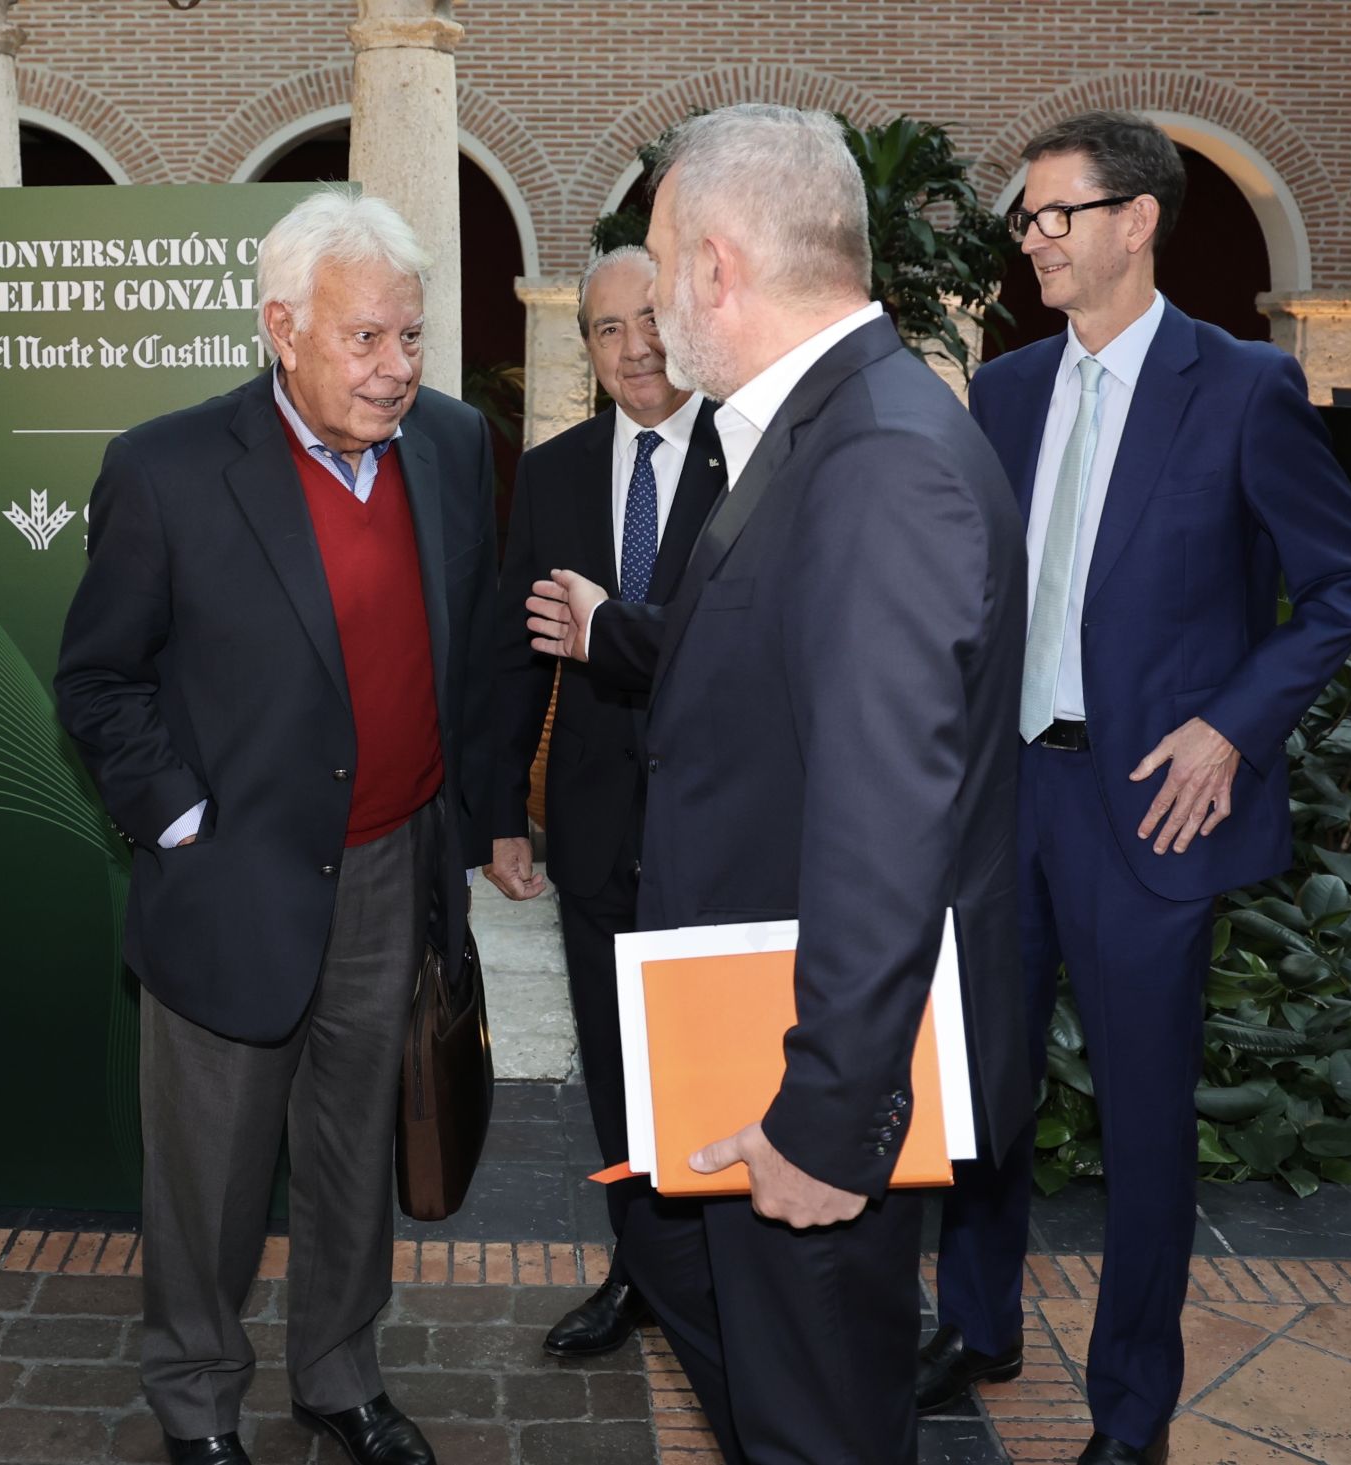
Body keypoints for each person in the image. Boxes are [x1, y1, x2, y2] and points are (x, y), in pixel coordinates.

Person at [526, 103, 1031, 1464]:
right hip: (749, 1027)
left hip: (805, 1074)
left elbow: (886, 825)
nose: (645, 300)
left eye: (658, 255)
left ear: (717, 265)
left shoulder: (873, 460)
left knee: (817, 1418)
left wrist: (823, 1115)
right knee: (763, 1370)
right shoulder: (827, 427)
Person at [920, 111, 1351, 1465]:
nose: (1033, 241)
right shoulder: (1002, 392)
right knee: (986, 1088)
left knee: (1144, 1126)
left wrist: (1231, 727)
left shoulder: (1240, 386)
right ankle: (979, 1316)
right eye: (1027, 219)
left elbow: (1348, 580)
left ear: (1139, 221)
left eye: (1058, 216)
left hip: (1151, 813)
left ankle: (1131, 1413)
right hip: (1009, 801)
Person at [54, 188, 494, 1465]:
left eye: (411, 337)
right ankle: (197, 1404)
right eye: (367, 339)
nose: (397, 368)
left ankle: (339, 1374)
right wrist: (180, 818)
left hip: (391, 866)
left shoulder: (456, 448)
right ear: (281, 327)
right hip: (232, 880)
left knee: (355, 1145)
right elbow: (97, 679)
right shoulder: (169, 467)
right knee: (210, 1174)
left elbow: (462, 664)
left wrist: (462, 828)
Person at [487, 245, 724, 1358]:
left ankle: (724, 1279)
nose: (633, 349)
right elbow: (512, 657)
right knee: (622, 1077)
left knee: (714, 1067)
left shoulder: (752, 456)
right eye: (605, 330)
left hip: (719, 831)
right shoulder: (557, 473)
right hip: (590, 833)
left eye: (648, 320)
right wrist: (496, 810)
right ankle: (640, 1272)